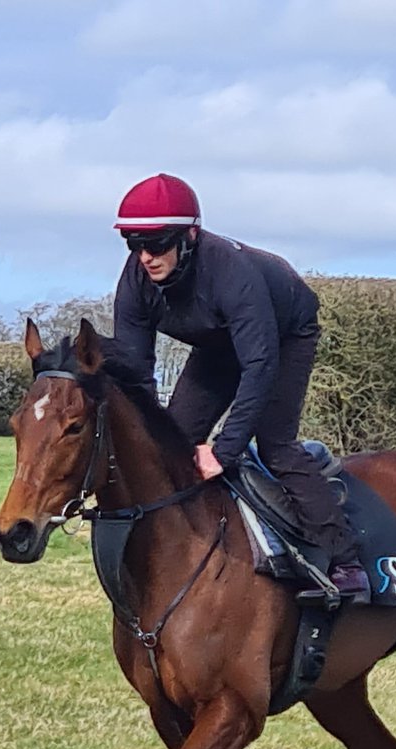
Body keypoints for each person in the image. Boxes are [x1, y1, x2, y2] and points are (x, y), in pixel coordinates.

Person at [110, 172, 368, 599]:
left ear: (189, 235)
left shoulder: (232, 273)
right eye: (134, 243)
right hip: (217, 345)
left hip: (283, 337)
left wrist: (225, 451)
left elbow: (260, 366)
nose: (145, 257)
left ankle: (346, 561)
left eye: (156, 244)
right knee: (169, 444)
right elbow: (134, 372)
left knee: (275, 445)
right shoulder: (137, 280)